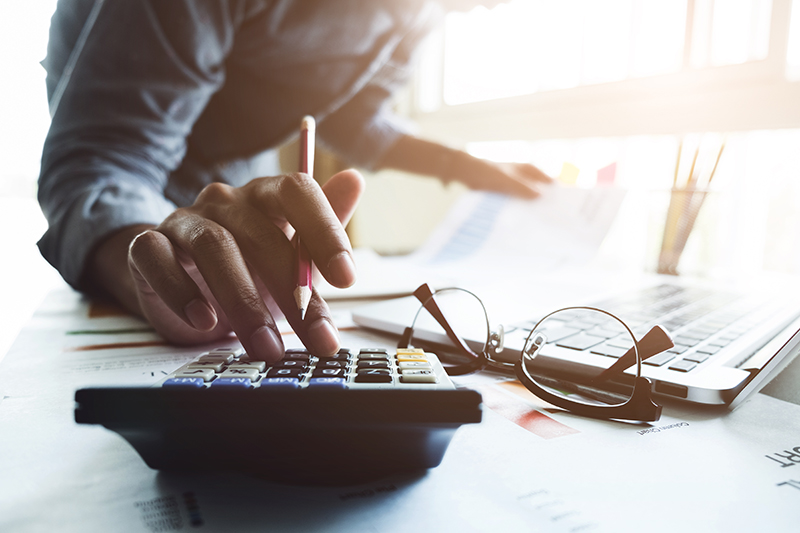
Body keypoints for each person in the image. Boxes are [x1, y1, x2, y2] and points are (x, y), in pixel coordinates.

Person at [38, 0, 551, 362]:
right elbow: (101, 157)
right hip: (141, 226)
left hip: (233, 212)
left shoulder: (420, 10)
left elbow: (357, 118)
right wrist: (145, 265)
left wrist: (463, 165)